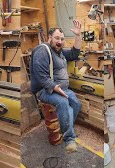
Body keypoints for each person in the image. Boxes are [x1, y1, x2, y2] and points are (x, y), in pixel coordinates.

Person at [30, 20, 82, 153]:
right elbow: (40, 75)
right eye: (57, 38)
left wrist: (78, 36)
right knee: (63, 102)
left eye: (62, 39)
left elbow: (74, 54)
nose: (59, 41)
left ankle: (67, 127)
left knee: (75, 103)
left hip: (61, 89)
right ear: (49, 38)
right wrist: (54, 88)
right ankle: (69, 139)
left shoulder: (59, 52)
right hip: (45, 90)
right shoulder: (43, 50)